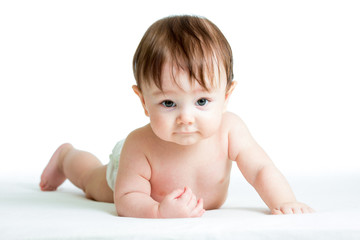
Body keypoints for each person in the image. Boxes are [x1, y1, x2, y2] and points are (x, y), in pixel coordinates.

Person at [40, 15, 314, 218]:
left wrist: (284, 201)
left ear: (227, 96)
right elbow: (126, 199)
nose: (186, 117)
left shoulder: (230, 130)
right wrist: (158, 211)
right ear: (144, 101)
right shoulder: (140, 144)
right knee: (93, 182)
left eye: (202, 101)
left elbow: (260, 170)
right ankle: (67, 157)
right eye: (168, 102)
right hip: (128, 174)